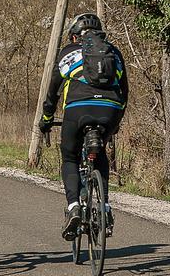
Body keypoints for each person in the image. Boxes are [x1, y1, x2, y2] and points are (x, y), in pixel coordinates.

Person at [38, 13, 128, 240]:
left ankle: (74, 207)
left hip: (78, 109)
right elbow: (124, 91)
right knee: (100, 157)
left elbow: (53, 91)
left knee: (69, 156)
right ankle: (105, 208)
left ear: (74, 37)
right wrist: (115, 122)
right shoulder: (113, 52)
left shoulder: (68, 52)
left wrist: (47, 117)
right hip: (110, 108)